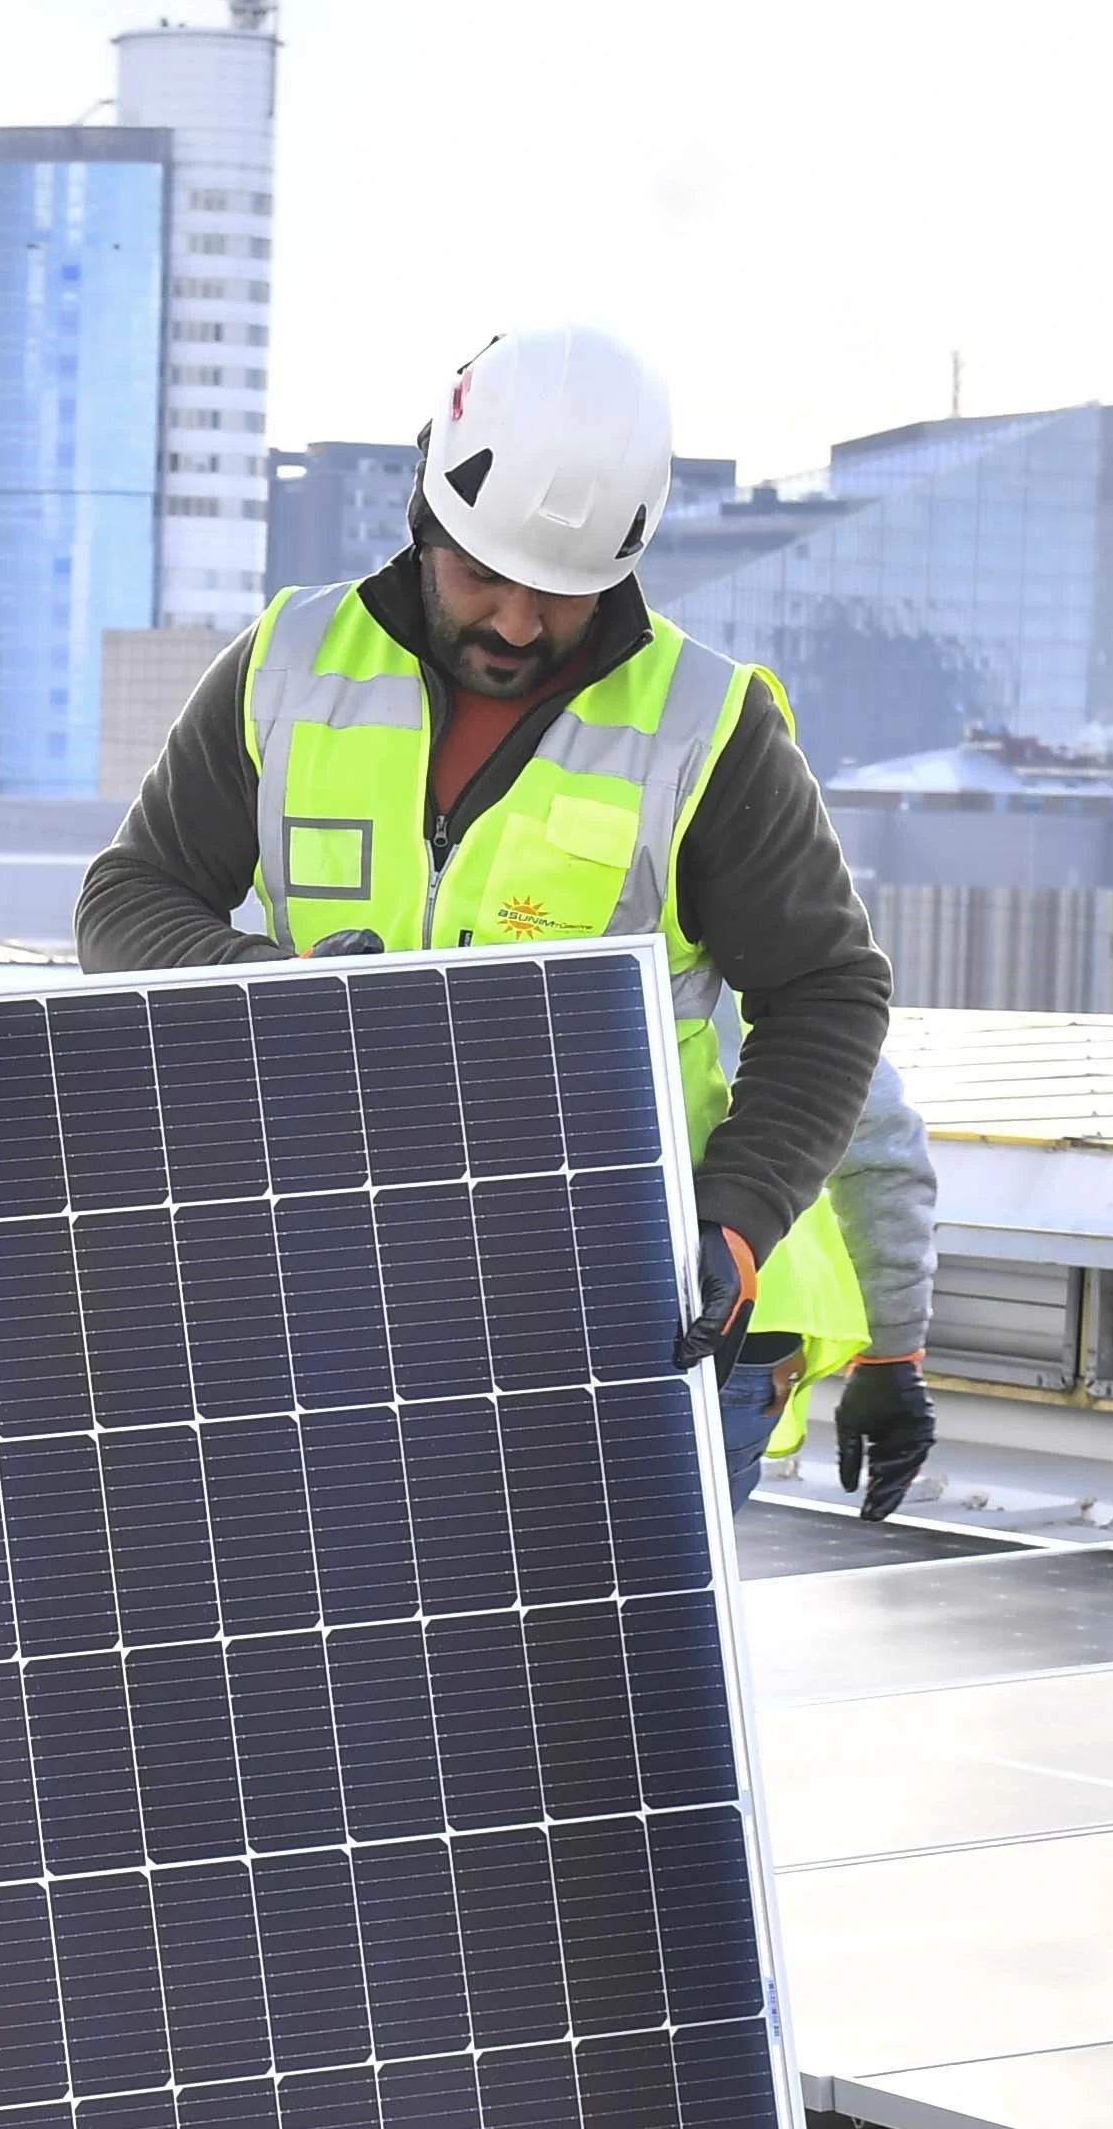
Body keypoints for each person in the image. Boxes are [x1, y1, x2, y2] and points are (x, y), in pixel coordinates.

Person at [79, 324, 941, 1516]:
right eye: (484, 577)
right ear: (425, 517)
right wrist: (272, 988)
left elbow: (829, 995)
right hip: (337, 1298)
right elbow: (127, 902)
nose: (519, 624)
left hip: (634, 1308)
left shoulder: (706, 726)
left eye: (562, 594)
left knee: (607, 1691)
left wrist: (733, 1229)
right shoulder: (286, 666)